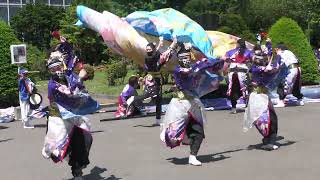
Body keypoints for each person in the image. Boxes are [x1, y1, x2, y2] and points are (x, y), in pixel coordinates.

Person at [42, 58, 98, 179]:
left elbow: (79, 90)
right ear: (50, 71)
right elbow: (70, 92)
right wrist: (79, 79)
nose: (57, 70)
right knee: (59, 147)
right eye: (53, 69)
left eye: (58, 67)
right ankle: (53, 151)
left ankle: (77, 170)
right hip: (58, 118)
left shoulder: (68, 76)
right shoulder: (52, 84)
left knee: (84, 140)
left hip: (74, 116)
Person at [160, 43, 209, 166]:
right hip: (179, 105)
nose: (185, 59)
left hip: (193, 104)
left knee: (199, 132)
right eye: (182, 57)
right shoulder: (178, 70)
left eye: (187, 57)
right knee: (173, 134)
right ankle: (166, 131)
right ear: (179, 59)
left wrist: (194, 47)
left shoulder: (194, 66)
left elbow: (208, 61)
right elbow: (185, 71)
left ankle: (193, 156)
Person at [244, 47, 279, 151]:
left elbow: (271, 71)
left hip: (264, 96)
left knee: (271, 118)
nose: (262, 60)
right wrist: (265, 69)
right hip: (256, 96)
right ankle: (267, 139)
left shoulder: (264, 70)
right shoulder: (253, 69)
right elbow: (256, 70)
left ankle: (269, 140)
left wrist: (274, 68)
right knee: (260, 118)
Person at [144, 36, 177, 125]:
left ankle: (158, 120)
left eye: (149, 49)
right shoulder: (148, 57)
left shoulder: (155, 56)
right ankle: (146, 97)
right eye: (147, 49)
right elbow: (155, 54)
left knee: (158, 99)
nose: (147, 50)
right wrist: (160, 42)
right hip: (153, 78)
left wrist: (160, 43)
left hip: (156, 77)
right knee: (152, 95)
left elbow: (157, 54)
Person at [222, 39, 253, 114]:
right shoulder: (248, 52)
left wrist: (224, 72)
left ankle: (233, 108)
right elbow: (252, 62)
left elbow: (226, 64)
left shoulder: (230, 52)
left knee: (232, 90)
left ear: (237, 44)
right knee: (245, 89)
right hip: (243, 73)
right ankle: (247, 107)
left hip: (233, 73)